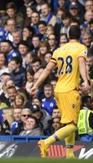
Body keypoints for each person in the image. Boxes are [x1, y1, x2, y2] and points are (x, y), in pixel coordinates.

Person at [30, 25, 91, 159]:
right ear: (79, 36)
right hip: (70, 90)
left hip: (58, 90)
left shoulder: (59, 50)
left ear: (68, 36)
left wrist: (36, 85)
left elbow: (46, 70)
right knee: (73, 126)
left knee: (68, 124)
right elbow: (81, 63)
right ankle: (46, 142)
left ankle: (69, 153)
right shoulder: (81, 48)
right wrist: (85, 81)